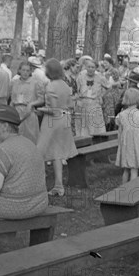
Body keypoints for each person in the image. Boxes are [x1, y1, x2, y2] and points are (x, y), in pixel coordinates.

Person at [0, 106, 48, 255]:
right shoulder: (29, 143)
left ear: (4, 126)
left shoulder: (4, 149)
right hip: (38, 203)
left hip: (16, 207)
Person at [36, 59, 78, 197]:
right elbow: (71, 105)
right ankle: (58, 185)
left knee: (40, 151)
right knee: (57, 153)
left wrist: (39, 109)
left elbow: (53, 110)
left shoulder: (51, 86)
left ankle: (37, 184)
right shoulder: (65, 85)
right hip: (65, 118)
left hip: (53, 121)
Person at [74, 59, 109, 137]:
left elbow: (108, 86)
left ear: (96, 68)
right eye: (89, 67)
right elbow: (76, 88)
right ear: (86, 67)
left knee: (95, 127)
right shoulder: (81, 76)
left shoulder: (100, 76)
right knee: (83, 127)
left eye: (93, 67)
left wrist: (101, 95)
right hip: (83, 104)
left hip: (95, 104)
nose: (90, 69)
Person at [10, 61, 42, 144]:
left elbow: (41, 99)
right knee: (16, 138)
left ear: (30, 72)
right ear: (19, 70)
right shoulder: (15, 82)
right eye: (23, 70)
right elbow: (12, 99)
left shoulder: (35, 83)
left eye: (28, 71)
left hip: (29, 112)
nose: (25, 73)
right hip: (16, 112)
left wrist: (31, 104)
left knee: (30, 139)